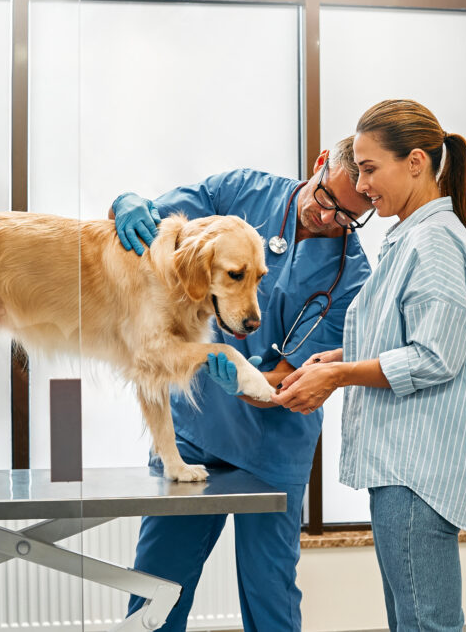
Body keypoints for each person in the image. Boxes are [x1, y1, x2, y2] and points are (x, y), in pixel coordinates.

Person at [108, 138, 373, 632]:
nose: (330, 219)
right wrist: (127, 202)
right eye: (327, 199)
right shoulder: (239, 193)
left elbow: (295, 376)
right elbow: (162, 232)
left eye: (350, 217)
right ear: (319, 166)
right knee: (156, 586)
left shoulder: (351, 276)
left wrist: (244, 378)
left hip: (275, 445)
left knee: (270, 592)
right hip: (194, 433)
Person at [271, 100, 466, 632]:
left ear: (416, 162)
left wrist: (341, 376)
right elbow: (411, 334)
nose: (362, 185)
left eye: (370, 169)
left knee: (425, 623)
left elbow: (435, 356)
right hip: (404, 466)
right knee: (410, 620)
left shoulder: (435, 241)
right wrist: (341, 355)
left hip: (417, 469)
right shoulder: (412, 235)